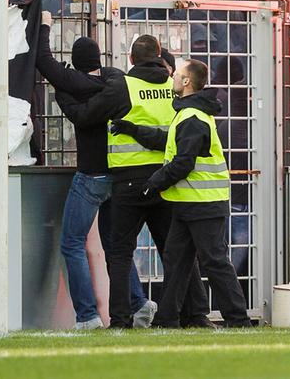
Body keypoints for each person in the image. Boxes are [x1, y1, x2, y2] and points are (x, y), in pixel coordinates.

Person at [73, 35, 211, 329]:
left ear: (132, 60)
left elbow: (87, 115)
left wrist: (67, 90)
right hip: (165, 179)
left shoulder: (123, 86)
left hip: (129, 182)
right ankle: (195, 315)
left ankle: (121, 320)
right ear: (160, 57)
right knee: (175, 252)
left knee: (121, 252)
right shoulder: (173, 87)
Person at [33, 11, 154, 330]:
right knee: (116, 245)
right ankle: (139, 304)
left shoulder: (74, 83)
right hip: (119, 174)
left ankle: (87, 315)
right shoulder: (115, 79)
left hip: (91, 175)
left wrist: (45, 24)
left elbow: (44, 61)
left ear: (74, 61)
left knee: (72, 243)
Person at [111, 59, 253, 328]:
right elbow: (169, 143)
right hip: (188, 202)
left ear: (187, 82)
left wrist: (154, 182)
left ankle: (239, 320)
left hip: (203, 204)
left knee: (214, 263)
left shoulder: (192, 117)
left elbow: (183, 162)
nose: (172, 77)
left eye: (177, 75)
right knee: (176, 263)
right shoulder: (189, 114)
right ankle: (166, 320)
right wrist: (133, 130)